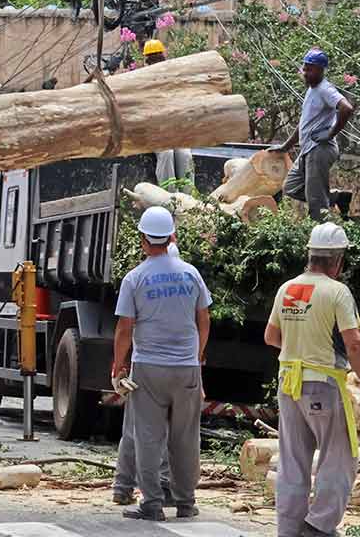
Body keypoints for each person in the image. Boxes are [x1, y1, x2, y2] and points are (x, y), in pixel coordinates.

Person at [265, 223, 360, 537]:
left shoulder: (287, 288)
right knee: (339, 456)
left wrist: (300, 340)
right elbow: (354, 343)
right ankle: (320, 525)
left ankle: (289, 529)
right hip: (322, 384)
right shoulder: (337, 291)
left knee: (292, 459)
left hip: (288, 383)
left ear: (310, 255)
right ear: (337, 260)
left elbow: (271, 337)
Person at [112, 207, 211, 521]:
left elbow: (124, 328)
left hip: (149, 368)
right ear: (171, 237)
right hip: (187, 369)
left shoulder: (135, 278)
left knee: (148, 437)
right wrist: (197, 355)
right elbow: (204, 319)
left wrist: (119, 366)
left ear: (143, 240)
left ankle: (152, 504)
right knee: (185, 438)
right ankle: (185, 502)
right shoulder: (191, 273)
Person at [274, 48, 355, 221]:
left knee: (316, 203)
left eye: (310, 69)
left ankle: (322, 239)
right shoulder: (312, 89)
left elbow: (346, 108)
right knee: (291, 187)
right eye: (305, 68)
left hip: (319, 150)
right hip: (308, 150)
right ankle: (337, 198)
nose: (305, 72)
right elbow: (304, 124)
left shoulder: (325, 89)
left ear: (321, 70)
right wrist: (285, 147)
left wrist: (331, 133)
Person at [144, 40, 193, 184]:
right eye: (153, 59)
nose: (156, 62)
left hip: (174, 130)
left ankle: (188, 197)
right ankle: (169, 197)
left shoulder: (171, 78)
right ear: (147, 61)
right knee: (166, 153)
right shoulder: (141, 80)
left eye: (158, 57)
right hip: (154, 132)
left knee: (185, 155)